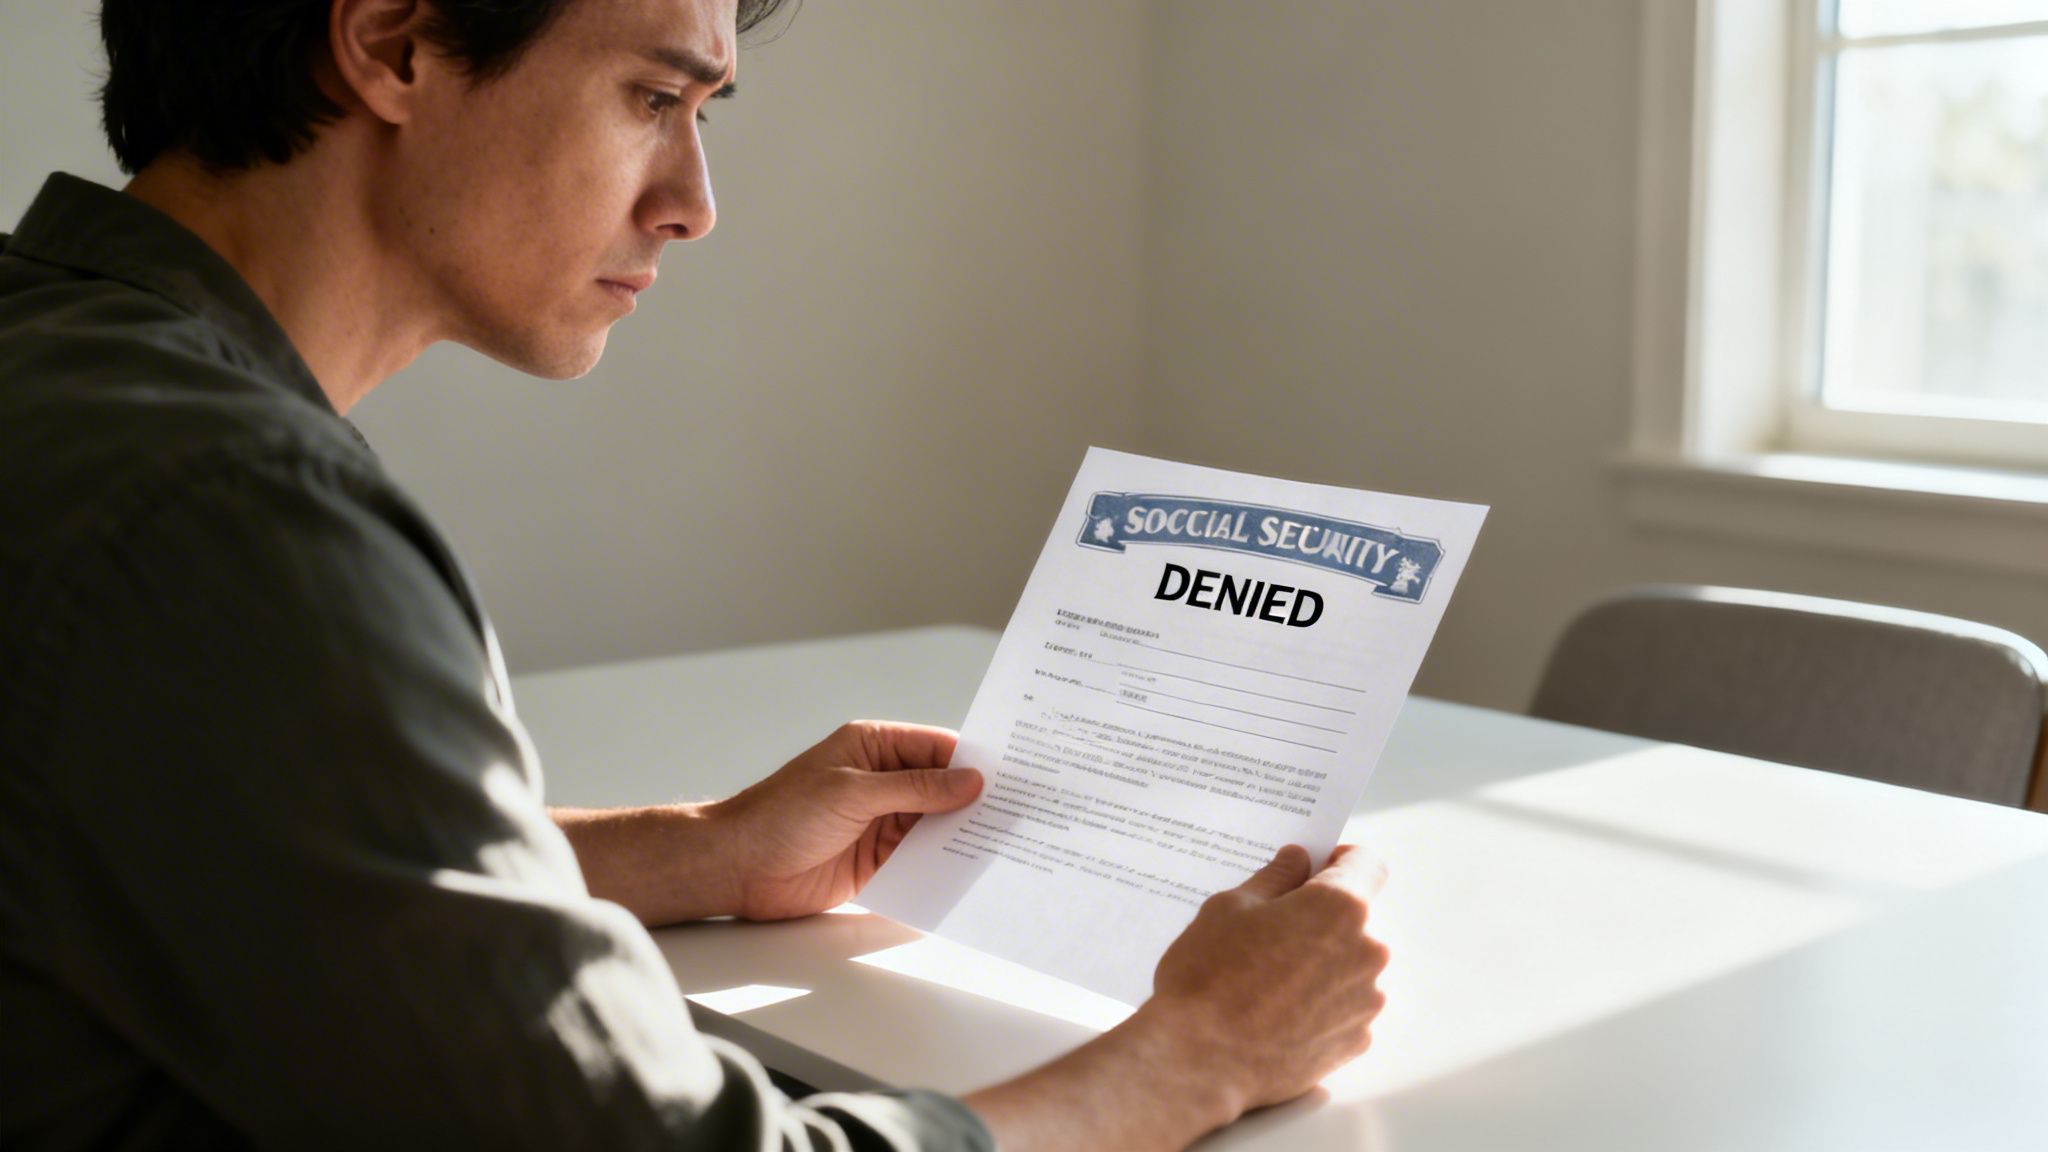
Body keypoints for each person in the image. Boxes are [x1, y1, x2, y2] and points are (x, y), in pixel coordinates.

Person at [0, 0, 1391, 1148]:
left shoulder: (64, 372)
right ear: (393, 45)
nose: (694, 204)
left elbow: (231, 865)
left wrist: (701, 851)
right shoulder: (232, 519)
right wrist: (1196, 1057)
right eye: (653, 100)